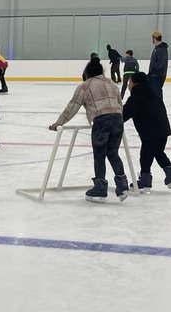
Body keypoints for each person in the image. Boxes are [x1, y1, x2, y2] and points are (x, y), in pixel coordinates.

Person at [49, 56, 128, 202]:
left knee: (99, 155)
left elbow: (72, 107)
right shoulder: (111, 83)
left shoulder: (85, 86)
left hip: (101, 120)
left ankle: (100, 188)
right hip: (117, 119)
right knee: (113, 153)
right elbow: (119, 104)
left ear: (87, 74)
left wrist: (58, 123)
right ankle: (122, 185)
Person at [122, 71, 171, 193]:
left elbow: (125, 113)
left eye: (129, 82)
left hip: (150, 133)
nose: (128, 85)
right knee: (158, 152)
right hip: (163, 130)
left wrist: (113, 119)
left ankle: (145, 180)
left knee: (145, 157)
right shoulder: (154, 94)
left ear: (135, 83)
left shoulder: (136, 97)